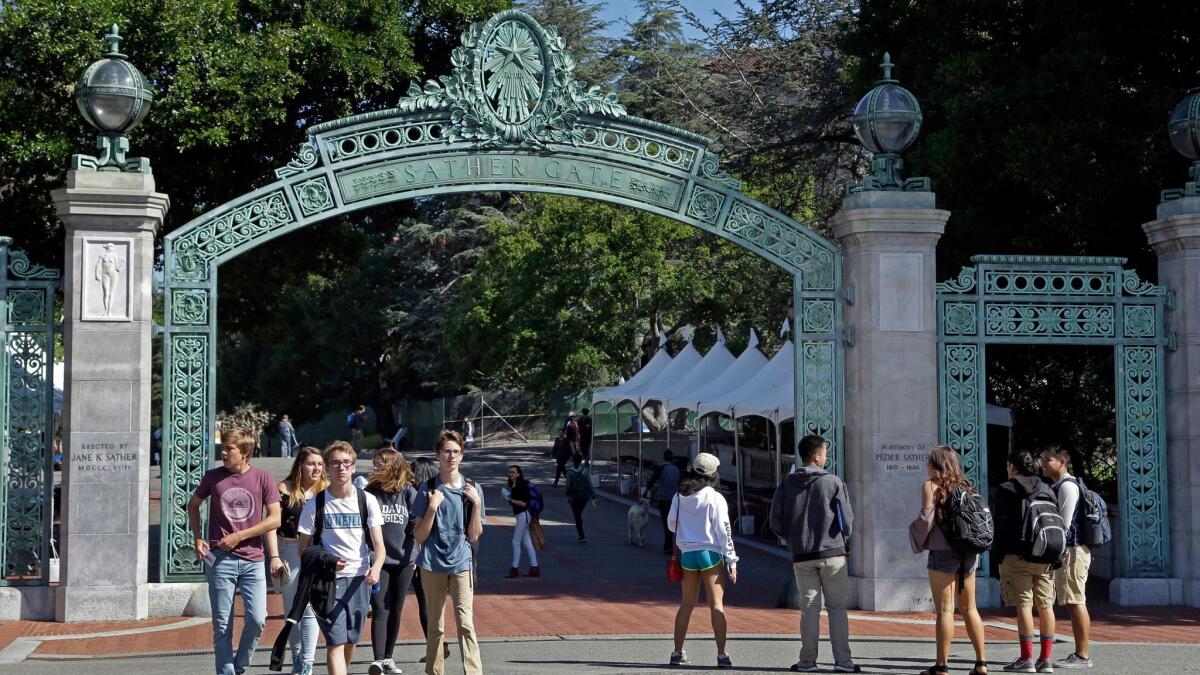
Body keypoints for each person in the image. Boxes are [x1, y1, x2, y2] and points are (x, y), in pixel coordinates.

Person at [186, 427, 282, 675]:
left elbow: (275, 520)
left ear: (245, 452)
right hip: (220, 560)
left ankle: (240, 664)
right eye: (223, 448)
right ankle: (227, 672)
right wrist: (197, 538)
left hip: (253, 559)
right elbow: (193, 505)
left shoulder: (263, 478)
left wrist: (240, 535)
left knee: (258, 619)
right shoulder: (212, 477)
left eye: (229, 448)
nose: (224, 452)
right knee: (222, 626)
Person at [768, 434, 860, 674]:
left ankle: (807, 661)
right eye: (825, 452)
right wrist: (844, 541)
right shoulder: (832, 482)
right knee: (836, 608)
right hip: (832, 552)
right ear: (816, 455)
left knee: (809, 608)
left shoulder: (787, 483)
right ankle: (843, 661)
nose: (826, 456)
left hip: (802, 555)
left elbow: (775, 521)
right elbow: (846, 520)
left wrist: (791, 537)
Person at [297, 441, 386, 675]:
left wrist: (376, 567)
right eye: (335, 463)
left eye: (346, 463)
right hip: (328, 583)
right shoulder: (315, 504)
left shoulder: (367, 501)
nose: (341, 468)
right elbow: (304, 550)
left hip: (360, 579)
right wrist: (326, 561)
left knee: (350, 639)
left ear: (354, 467)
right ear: (327, 468)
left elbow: (379, 546)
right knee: (335, 641)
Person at [909, 445, 989, 675]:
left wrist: (913, 535)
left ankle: (942, 666)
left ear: (935, 464)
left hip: (942, 553)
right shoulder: (966, 487)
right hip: (968, 552)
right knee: (970, 607)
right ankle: (981, 663)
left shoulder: (930, 486)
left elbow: (926, 521)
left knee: (945, 609)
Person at [412, 430, 485, 675]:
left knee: (466, 623)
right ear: (437, 455)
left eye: (456, 452)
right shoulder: (428, 489)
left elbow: (474, 535)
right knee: (436, 626)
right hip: (432, 564)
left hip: (461, 562)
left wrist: (476, 504)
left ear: (462, 456)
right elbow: (419, 536)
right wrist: (432, 508)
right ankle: (434, 671)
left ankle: (473, 672)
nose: (451, 456)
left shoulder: (473, 488)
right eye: (446, 452)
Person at [667, 452, 738, 669]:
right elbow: (724, 530)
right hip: (710, 553)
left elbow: (671, 524)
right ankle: (722, 655)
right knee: (716, 604)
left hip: (688, 554)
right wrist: (731, 560)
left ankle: (677, 652)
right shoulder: (714, 497)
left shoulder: (679, 496)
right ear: (713, 473)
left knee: (686, 604)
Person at [994, 450, 1058, 674]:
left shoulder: (1006, 489)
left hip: (1017, 555)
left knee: (1024, 604)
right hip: (1045, 555)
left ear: (1012, 466)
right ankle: (1046, 659)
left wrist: (998, 556)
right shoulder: (1046, 487)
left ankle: (1026, 658)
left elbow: (999, 526)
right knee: (1046, 605)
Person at [272, 446, 328, 675]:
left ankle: (307, 663)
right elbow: (273, 525)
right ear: (300, 466)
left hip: (317, 550)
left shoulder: (326, 490)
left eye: (319, 464)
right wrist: (274, 556)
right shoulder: (284, 490)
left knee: (311, 608)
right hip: (290, 549)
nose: (316, 468)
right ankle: (296, 657)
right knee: (293, 608)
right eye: (311, 463)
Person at [365, 453, 420, 675]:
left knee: (396, 609)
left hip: (404, 560)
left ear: (393, 466)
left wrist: (417, 555)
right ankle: (378, 659)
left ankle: (388, 657)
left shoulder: (407, 491)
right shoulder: (369, 493)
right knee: (379, 607)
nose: (376, 466)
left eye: (381, 463)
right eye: (375, 463)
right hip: (379, 560)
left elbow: (417, 525)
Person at [1041, 446, 1094, 670]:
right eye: (1042, 459)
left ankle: (1083, 656)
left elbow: (1063, 524)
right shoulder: (1061, 485)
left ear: (1062, 462)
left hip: (1072, 550)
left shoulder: (1067, 486)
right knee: (1073, 602)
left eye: (1047, 459)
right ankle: (1081, 654)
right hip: (1070, 550)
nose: (1042, 463)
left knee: (1076, 601)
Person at [409, 457, 450, 665]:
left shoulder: (418, 496)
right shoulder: (439, 492)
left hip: (421, 556)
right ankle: (437, 644)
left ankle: (435, 646)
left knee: (426, 604)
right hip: (441, 556)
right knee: (435, 604)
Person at [503, 465, 541, 578]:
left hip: (524, 514)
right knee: (527, 542)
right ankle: (535, 568)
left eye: (513, 472)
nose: (510, 474)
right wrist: (508, 496)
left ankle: (514, 569)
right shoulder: (514, 485)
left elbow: (524, 503)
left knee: (515, 542)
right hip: (521, 515)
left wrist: (509, 499)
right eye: (509, 472)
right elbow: (516, 501)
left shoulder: (522, 485)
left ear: (518, 474)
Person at [647, 450, 681, 554]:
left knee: (666, 523)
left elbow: (652, 481)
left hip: (663, 499)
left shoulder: (661, 469)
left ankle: (668, 546)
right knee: (673, 522)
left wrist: (646, 492)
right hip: (675, 499)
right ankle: (672, 545)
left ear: (663, 458)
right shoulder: (677, 469)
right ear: (672, 458)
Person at [564, 453, 595, 543]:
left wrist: (568, 494)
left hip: (574, 497)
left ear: (572, 461)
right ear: (581, 460)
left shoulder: (570, 472)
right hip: (584, 496)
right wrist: (593, 495)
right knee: (578, 514)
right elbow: (589, 484)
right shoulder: (585, 471)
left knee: (577, 515)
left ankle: (581, 536)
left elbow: (567, 486)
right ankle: (581, 535)